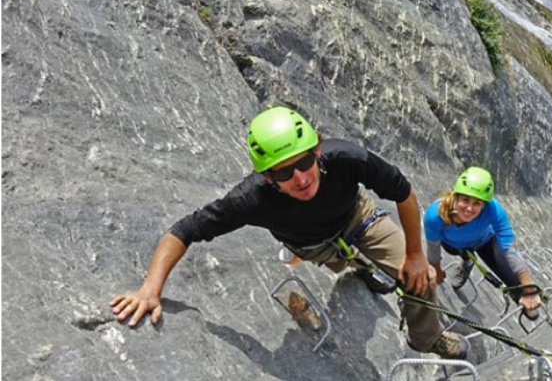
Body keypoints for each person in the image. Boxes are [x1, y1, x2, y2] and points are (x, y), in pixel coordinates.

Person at [110, 106, 468, 360]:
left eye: (304, 162)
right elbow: (184, 230)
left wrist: (416, 255)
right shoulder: (250, 199)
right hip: (313, 245)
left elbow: (403, 192)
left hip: (358, 218)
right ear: (267, 177)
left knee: (420, 280)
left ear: (316, 150)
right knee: (348, 262)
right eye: (283, 173)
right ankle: (363, 267)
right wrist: (150, 289)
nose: (300, 178)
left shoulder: (346, 158)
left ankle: (427, 339)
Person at [424, 167, 543, 319]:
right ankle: (467, 261)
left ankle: (532, 311)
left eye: (477, 203)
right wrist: (436, 269)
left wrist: (529, 288)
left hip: (485, 242)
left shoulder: (494, 209)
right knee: (456, 250)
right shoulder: (435, 215)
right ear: (455, 196)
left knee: (515, 282)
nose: (469, 208)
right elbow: (433, 247)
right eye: (465, 200)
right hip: (454, 245)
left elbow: (509, 248)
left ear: (484, 205)